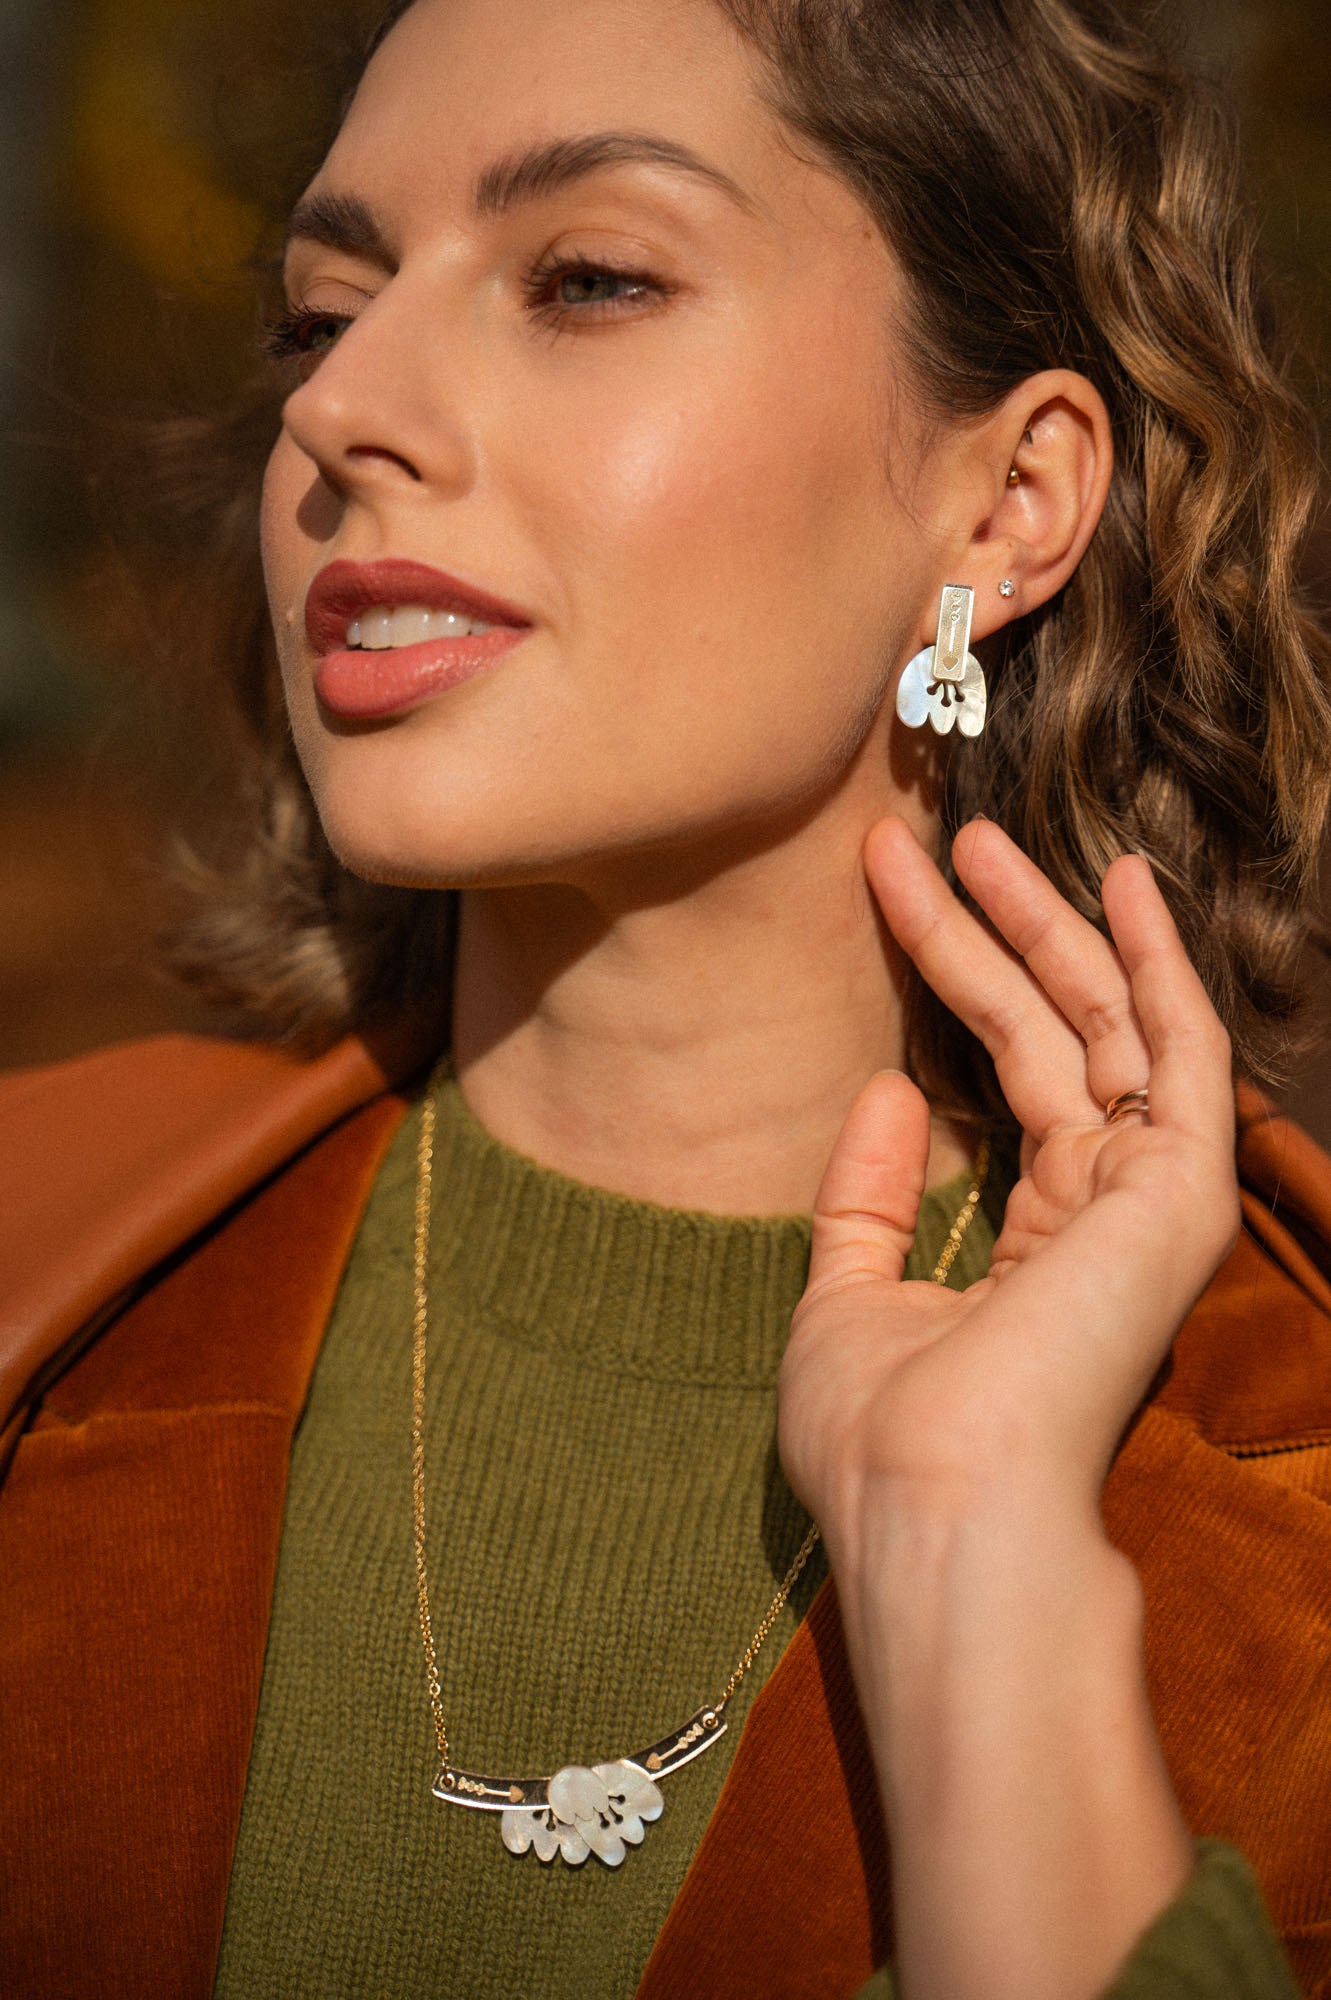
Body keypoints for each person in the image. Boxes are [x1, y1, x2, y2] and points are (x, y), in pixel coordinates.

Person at [3, 0, 1330, 1994]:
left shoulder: (1293, 1502)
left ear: (1007, 503)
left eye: (590, 277)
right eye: (317, 313)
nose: (340, 408)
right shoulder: (48, 1289)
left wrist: (981, 1567)